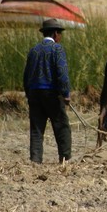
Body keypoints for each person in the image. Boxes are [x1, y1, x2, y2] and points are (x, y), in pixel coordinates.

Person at [23, 18, 72, 163]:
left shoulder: (34, 50)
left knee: (37, 129)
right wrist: (65, 93)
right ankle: (65, 158)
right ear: (56, 33)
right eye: (60, 34)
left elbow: (26, 75)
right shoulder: (57, 49)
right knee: (61, 126)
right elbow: (62, 73)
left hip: (34, 92)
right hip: (51, 93)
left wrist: (28, 93)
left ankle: (35, 160)